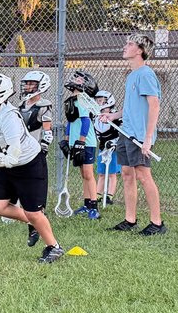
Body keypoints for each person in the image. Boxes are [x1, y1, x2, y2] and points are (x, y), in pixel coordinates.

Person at [0, 71, 64, 263]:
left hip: (29, 164)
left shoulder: (10, 116)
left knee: (33, 211)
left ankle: (54, 247)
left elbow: (13, 156)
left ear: (0, 93)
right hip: (5, 163)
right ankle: (33, 223)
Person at [100, 33, 165, 236]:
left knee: (144, 176)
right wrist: (113, 116)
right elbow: (130, 109)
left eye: (129, 44)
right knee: (127, 175)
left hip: (139, 136)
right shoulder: (131, 76)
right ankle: (130, 219)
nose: (125, 47)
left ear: (140, 50)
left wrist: (147, 138)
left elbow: (154, 106)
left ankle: (157, 223)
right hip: (126, 134)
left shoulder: (146, 74)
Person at [17, 70, 54, 246]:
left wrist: (44, 148)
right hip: (19, 151)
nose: (28, 87)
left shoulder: (43, 106)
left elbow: (47, 131)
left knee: (35, 191)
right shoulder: (20, 105)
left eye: (32, 84)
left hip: (35, 152)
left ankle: (36, 226)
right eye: (27, 83)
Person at [58, 70, 100, 220]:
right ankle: (86, 204)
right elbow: (70, 121)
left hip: (86, 142)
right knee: (83, 174)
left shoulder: (83, 99)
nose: (75, 80)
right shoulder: (72, 100)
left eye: (80, 79)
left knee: (88, 173)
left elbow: (86, 121)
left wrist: (81, 140)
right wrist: (68, 138)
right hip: (75, 141)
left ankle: (94, 207)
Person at [93, 90, 121, 207]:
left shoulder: (116, 117)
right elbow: (98, 132)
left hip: (113, 149)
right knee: (101, 173)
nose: (99, 103)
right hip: (102, 148)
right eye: (98, 100)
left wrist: (114, 143)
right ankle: (98, 194)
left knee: (112, 173)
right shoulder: (96, 116)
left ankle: (109, 195)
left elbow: (121, 133)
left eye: (102, 101)